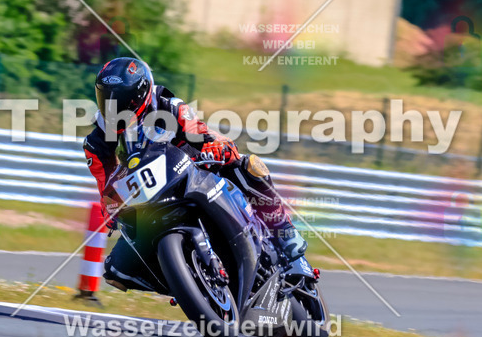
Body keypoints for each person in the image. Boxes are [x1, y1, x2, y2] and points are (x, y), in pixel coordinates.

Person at [82, 57, 315, 292]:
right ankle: (185, 283)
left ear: (142, 93)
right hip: (149, 203)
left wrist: (216, 147)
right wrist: (111, 209)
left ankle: (289, 241)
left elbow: (201, 133)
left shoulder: (166, 103)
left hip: (195, 172)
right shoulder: (96, 143)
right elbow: (106, 190)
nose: (115, 107)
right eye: (107, 99)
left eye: (123, 99)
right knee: (115, 271)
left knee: (249, 166)